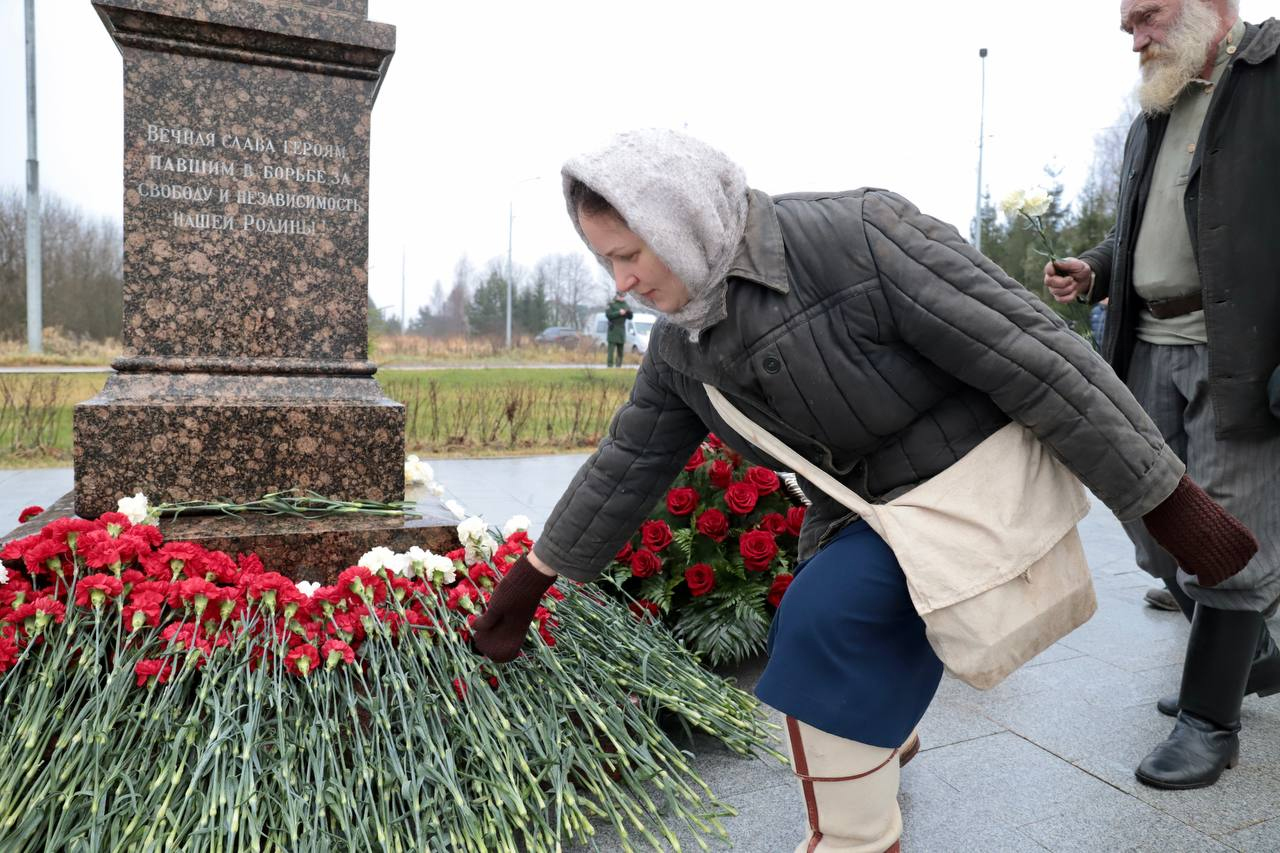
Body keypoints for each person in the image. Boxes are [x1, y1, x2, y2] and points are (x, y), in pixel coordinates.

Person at [474, 128, 1257, 852]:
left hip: (967, 482)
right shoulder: (682, 347)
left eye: (631, 252)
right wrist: (533, 578)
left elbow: (1033, 353)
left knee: (826, 619)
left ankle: (858, 838)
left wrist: (1165, 501)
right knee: (819, 617)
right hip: (867, 512)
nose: (622, 282)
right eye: (606, 261)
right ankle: (879, 739)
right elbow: (627, 461)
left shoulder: (855, 238)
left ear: (679, 218)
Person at [1044, 0, 1280, 791]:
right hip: (1147, 346)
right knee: (1154, 532)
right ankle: (1250, 651)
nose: (1136, 39)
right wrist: (1097, 266)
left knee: (1227, 534)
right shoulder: (1156, 104)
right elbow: (1142, 227)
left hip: (1238, 353)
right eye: (1129, 26)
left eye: (1148, 19)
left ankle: (1210, 723)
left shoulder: (1271, 74)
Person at [605, 290, 632, 367]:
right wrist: (619, 313)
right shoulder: (611, 304)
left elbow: (630, 317)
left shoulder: (625, 304)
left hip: (621, 329)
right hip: (613, 329)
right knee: (611, 350)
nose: (622, 297)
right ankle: (610, 365)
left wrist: (628, 313)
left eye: (623, 296)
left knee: (620, 350)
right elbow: (608, 315)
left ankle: (618, 365)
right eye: (620, 296)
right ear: (617, 295)